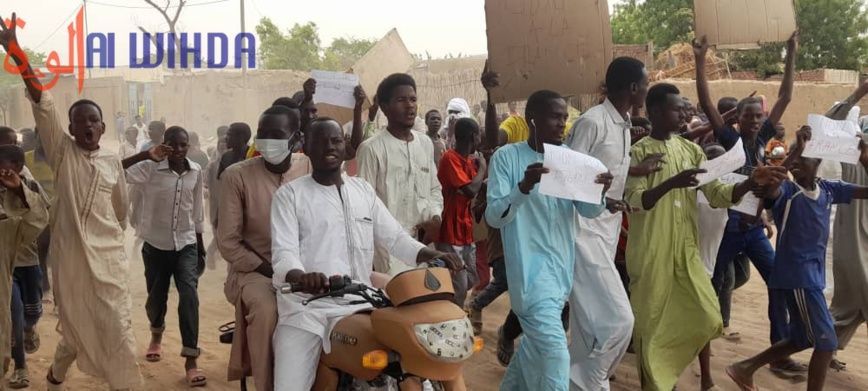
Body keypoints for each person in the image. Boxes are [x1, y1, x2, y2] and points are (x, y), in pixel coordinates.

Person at [1, 14, 142, 389]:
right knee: (78, 323)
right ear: (71, 126)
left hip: (109, 260)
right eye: (80, 121)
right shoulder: (62, 152)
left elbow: (121, 210)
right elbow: (41, 101)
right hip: (72, 260)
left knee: (118, 329)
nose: (88, 127)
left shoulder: (113, 161)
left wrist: (110, 241)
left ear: (103, 126)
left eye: (94, 121)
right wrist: (16, 52)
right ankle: (56, 373)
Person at [270, 117, 461, 390]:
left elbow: (394, 238)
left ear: (345, 145)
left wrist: (428, 255)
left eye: (335, 140)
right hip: (307, 310)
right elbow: (284, 253)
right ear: (306, 147)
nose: (329, 146)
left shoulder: (362, 190)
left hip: (359, 301)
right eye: (320, 141)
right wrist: (300, 275)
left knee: (415, 358)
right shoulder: (289, 196)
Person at [623, 83, 787, 391]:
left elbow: (719, 194)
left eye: (685, 108)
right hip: (651, 252)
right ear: (655, 112)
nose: (683, 113)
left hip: (685, 251)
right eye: (676, 108)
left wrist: (750, 183)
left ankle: (666, 367)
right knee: (650, 323)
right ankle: (655, 382)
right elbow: (635, 201)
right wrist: (671, 183)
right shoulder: (637, 153)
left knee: (706, 315)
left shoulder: (692, 151)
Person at [485, 89, 613, 390]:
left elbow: (589, 211)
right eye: (556, 117)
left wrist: (600, 191)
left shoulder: (570, 160)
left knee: (532, 352)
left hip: (561, 276)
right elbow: (494, 216)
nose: (562, 124)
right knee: (556, 356)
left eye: (565, 118)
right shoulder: (507, 158)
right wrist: (524, 186)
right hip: (529, 279)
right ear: (533, 119)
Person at [727, 125, 868, 391]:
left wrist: (862, 156)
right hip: (797, 276)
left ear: (819, 163)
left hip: (812, 277)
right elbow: (772, 183)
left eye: (806, 160)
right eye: (797, 161)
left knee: (802, 338)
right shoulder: (787, 193)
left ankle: (744, 368)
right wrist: (795, 153)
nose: (800, 165)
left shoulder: (828, 189)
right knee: (826, 343)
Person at [695, 34, 802, 374]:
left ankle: (779, 352)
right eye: (749, 115)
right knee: (707, 285)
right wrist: (700, 60)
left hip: (753, 230)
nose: (755, 120)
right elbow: (708, 105)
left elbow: (786, 95)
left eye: (759, 115)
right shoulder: (730, 140)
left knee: (779, 282)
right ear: (737, 118)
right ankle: (697, 347)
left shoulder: (767, 142)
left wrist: (791, 53)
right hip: (727, 228)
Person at [564, 56, 647, 391]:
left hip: (606, 234)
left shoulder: (623, 125)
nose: (646, 89)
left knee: (588, 327)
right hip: (582, 235)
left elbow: (609, 175)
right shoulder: (592, 122)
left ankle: (579, 383)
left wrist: (636, 172)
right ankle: (586, 378)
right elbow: (566, 176)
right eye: (645, 83)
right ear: (632, 88)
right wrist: (602, 199)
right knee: (620, 321)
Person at [217, 104, 311, 391]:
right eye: (262, 134)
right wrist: (273, 269)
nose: (268, 141)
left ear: (295, 139)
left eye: (277, 134)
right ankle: (268, 385)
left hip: (306, 267)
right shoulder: (237, 176)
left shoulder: (308, 167)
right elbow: (228, 242)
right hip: (255, 271)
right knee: (268, 310)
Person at [122, 126, 207, 387]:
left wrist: (200, 244)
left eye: (183, 145)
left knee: (189, 296)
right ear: (164, 144)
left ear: (188, 147)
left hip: (187, 245)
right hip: (156, 245)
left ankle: (191, 359)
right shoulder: (149, 168)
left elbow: (197, 210)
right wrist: (145, 155)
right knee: (156, 298)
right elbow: (117, 171)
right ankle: (156, 335)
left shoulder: (195, 171)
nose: (178, 150)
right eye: (173, 144)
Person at [356, 74, 443, 276]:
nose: (410, 106)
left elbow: (434, 187)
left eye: (413, 100)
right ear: (385, 107)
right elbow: (364, 205)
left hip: (424, 242)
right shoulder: (371, 149)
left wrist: (435, 217)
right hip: (389, 248)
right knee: (397, 301)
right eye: (401, 100)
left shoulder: (425, 143)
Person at [824, 81, 868, 371]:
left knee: (850, 305)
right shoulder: (850, 149)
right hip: (852, 232)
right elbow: (831, 121)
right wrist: (859, 92)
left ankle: (825, 350)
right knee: (855, 292)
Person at [0, 144, 49, 391]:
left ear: (19, 169)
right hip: (4, 267)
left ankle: (31, 328)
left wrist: (19, 191)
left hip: (29, 262)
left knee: (33, 312)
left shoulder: (29, 186)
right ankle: (21, 366)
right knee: (14, 315)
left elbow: (42, 218)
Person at [437, 118, 486, 307]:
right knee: (460, 284)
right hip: (450, 231)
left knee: (472, 278)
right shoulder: (450, 159)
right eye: (479, 135)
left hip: (466, 230)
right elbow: (471, 190)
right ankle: (452, 318)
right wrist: (482, 169)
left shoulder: (468, 161)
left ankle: (447, 304)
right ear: (474, 136)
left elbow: (478, 186)